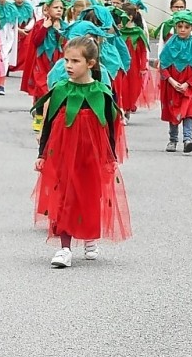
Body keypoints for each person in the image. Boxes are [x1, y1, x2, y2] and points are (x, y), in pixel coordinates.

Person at [34, 35, 131, 269]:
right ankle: (64, 248)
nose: (68, 65)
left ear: (91, 63)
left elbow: (109, 126)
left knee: (90, 192)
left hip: (91, 152)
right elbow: (48, 123)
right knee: (65, 193)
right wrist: (42, 153)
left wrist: (110, 157)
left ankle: (89, 237)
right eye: (66, 60)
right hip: (63, 150)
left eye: (75, 61)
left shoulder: (103, 93)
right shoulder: (60, 90)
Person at [158, 10, 192, 154]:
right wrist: (171, 81)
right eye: (180, 26)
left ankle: (187, 140)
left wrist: (187, 84)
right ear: (175, 27)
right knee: (174, 111)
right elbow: (163, 66)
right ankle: (173, 139)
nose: (183, 30)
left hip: (188, 86)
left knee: (189, 111)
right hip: (173, 85)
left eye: (186, 27)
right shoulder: (170, 44)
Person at [22, 0, 65, 131]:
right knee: (42, 90)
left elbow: (66, 43)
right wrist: (45, 27)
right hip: (42, 62)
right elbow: (35, 41)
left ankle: (51, 119)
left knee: (54, 90)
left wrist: (59, 30)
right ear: (47, 9)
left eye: (61, 8)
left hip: (57, 62)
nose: (59, 10)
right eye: (55, 7)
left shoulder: (64, 26)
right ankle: (39, 117)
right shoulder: (40, 24)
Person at [114, 3, 155, 119]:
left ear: (130, 17)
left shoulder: (138, 32)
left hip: (134, 65)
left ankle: (128, 109)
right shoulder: (118, 31)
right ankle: (122, 109)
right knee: (122, 87)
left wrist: (143, 66)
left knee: (133, 88)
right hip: (121, 64)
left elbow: (143, 50)